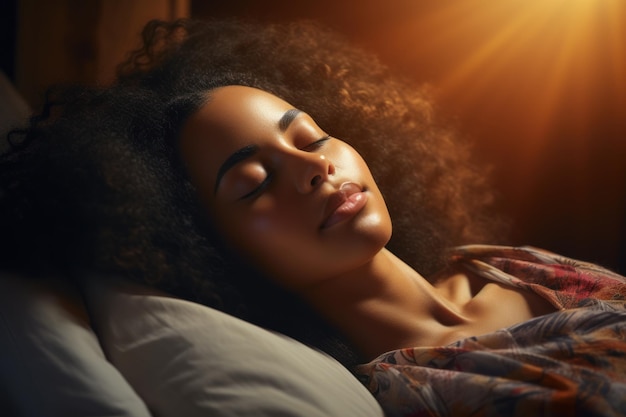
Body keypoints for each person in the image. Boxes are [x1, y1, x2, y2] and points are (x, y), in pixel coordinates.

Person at [2, 18, 625, 416]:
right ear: (208, 248)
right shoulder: (418, 392)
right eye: (253, 183)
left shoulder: (500, 264)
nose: (313, 167)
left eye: (309, 136)